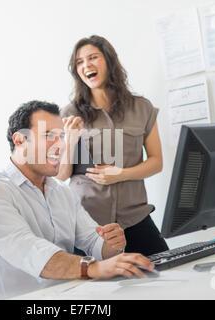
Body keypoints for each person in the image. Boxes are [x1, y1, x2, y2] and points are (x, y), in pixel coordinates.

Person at [0, 100, 155, 299]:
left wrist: (112, 244)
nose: (60, 145)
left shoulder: (61, 192)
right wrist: (93, 268)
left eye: (61, 136)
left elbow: (93, 241)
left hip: (71, 295)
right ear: (20, 140)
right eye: (48, 135)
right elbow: (31, 251)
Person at [57, 35, 169, 257]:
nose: (86, 65)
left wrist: (121, 174)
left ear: (109, 61)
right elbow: (60, 175)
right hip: (89, 224)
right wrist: (70, 139)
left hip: (135, 217)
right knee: (98, 290)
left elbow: (156, 162)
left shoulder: (142, 108)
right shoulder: (68, 114)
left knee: (166, 271)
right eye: (79, 62)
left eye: (92, 58)